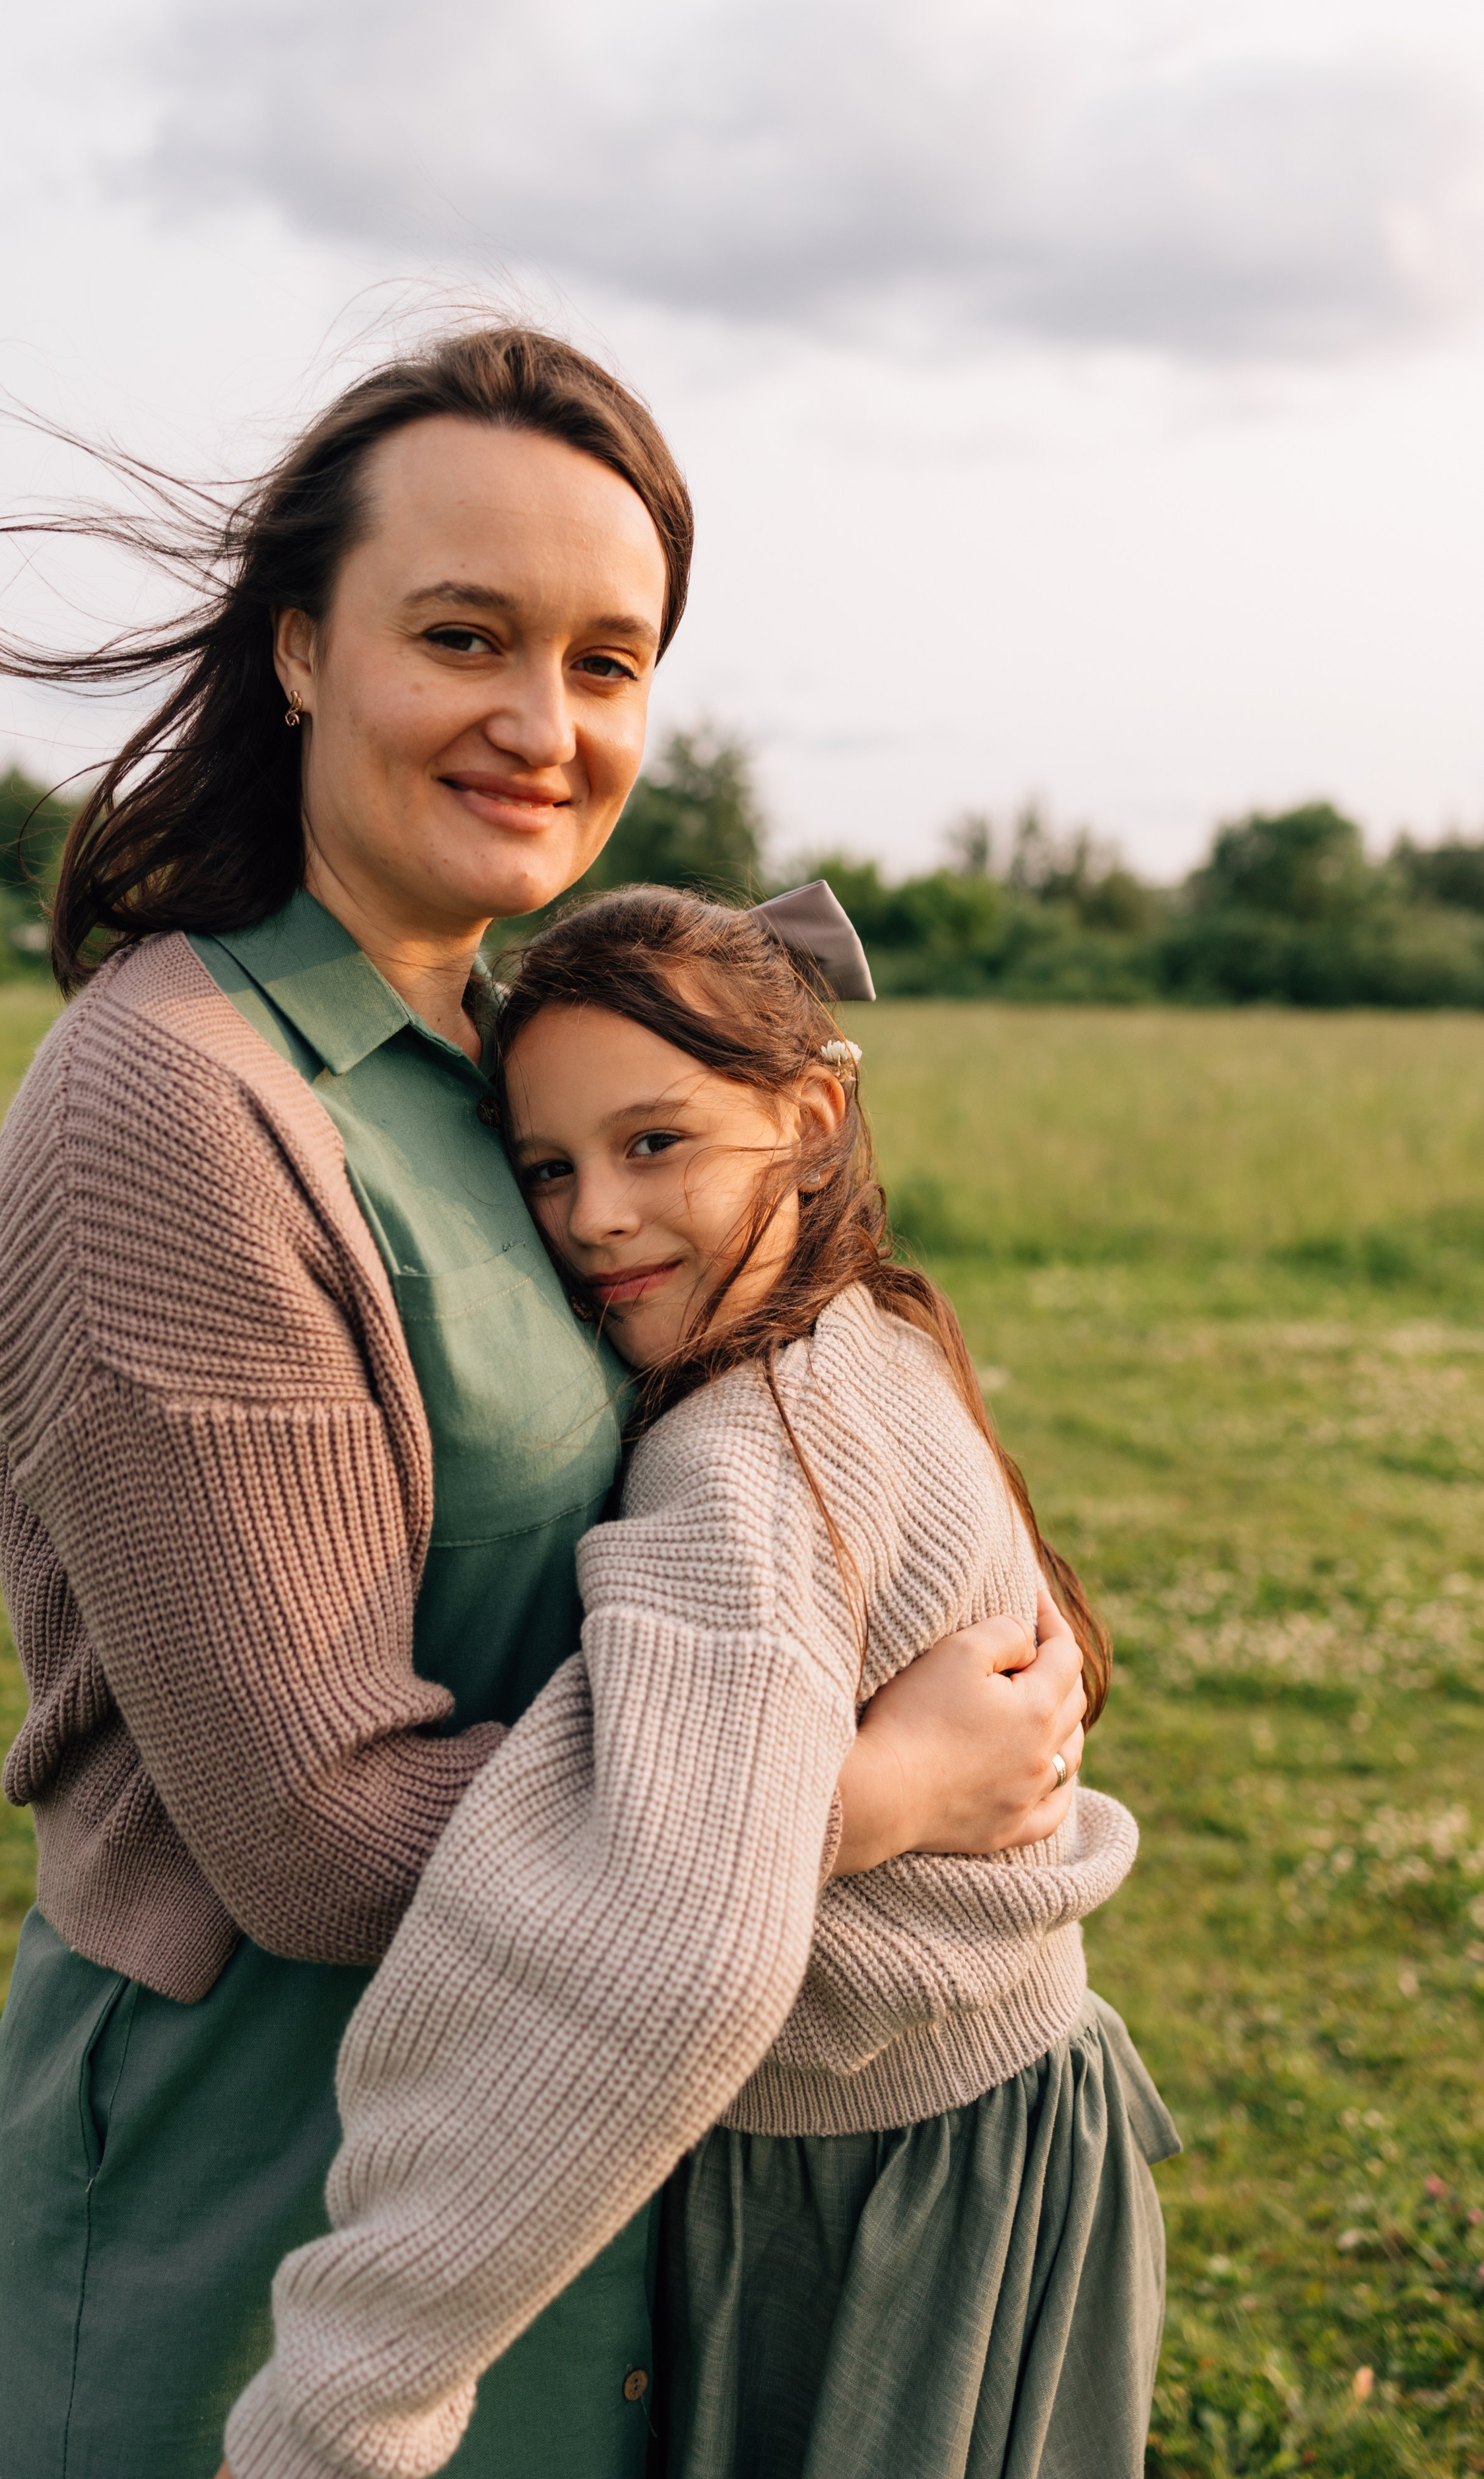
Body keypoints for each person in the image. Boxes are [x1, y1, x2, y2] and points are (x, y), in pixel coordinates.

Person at [0, 324, 1090, 2479]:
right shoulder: (172, 1114)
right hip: (264, 2194)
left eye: (606, 660)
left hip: (557, 2136)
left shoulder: (508, 1056)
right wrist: (853, 1803)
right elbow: (314, 1840)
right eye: (463, 636)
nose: (542, 726)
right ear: (299, 646)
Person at [220, 884, 1177, 2479]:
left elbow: (655, 1954)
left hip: (865, 2200)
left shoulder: (732, 1468)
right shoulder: (863, 1332)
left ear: (809, 1120)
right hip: (1028, 2120)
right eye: (546, 1166)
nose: (593, 1215)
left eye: (652, 1143)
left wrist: (339, 2406)